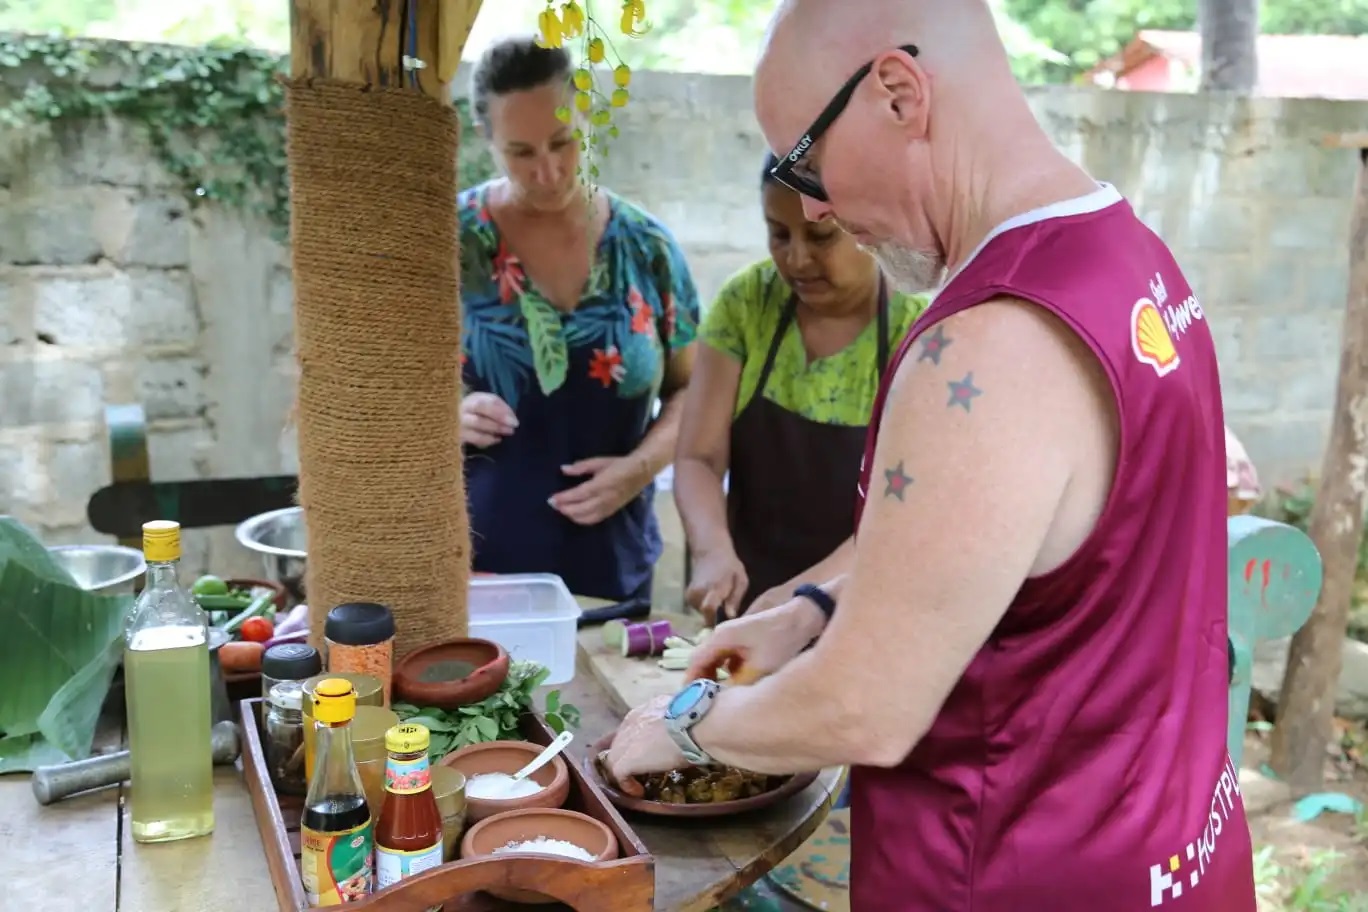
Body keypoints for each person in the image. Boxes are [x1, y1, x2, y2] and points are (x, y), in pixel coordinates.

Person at [606, 2, 1255, 910]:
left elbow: (868, 704)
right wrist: (812, 609)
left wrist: (687, 725)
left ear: (899, 93)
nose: (816, 202)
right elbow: (994, 549)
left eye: (806, 159)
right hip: (1176, 852)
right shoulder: (1137, 261)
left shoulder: (985, 345)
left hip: (1013, 877)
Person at [458, 36, 699, 603]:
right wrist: (445, 414)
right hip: (474, 575)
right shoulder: (450, 242)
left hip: (612, 571)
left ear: (585, 116)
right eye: (521, 151)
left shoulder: (647, 247)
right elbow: (385, 390)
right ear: (485, 140)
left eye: (563, 141)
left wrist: (641, 468)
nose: (548, 170)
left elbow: (695, 390)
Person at [675, 152, 926, 621]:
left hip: (858, 609)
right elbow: (698, 458)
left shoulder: (916, 337)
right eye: (778, 233)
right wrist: (712, 550)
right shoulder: (747, 302)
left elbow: (899, 514)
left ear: (867, 228)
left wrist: (806, 599)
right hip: (745, 602)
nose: (796, 257)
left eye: (820, 236)